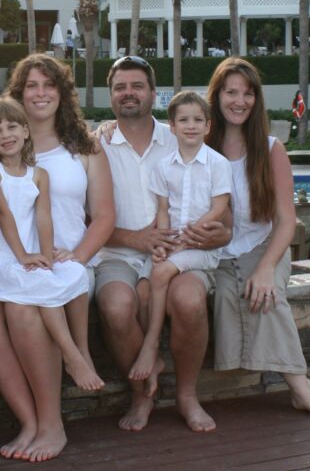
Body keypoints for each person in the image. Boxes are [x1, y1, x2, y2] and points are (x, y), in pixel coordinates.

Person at [0, 54, 114, 463]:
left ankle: (53, 424)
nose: (40, 93)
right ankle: (28, 421)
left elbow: (104, 217)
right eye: (31, 85)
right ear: (18, 93)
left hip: (67, 261)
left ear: (62, 92)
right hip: (15, 260)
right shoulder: (1, 142)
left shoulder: (84, 146)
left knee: (23, 311)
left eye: (49, 85)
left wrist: (77, 258)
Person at [95, 55, 231, 433]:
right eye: (120, 87)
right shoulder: (96, 144)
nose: (128, 93)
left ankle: (187, 397)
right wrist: (137, 238)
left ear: (154, 94)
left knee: (187, 300)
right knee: (116, 304)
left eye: (137, 86)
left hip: (181, 252)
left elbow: (226, 221)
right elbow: (86, 221)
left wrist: (217, 234)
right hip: (119, 253)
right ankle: (142, 396)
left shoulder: (183, 135)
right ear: (110, 95)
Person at [205, 57, 310, 422]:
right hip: (215, 254)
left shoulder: (270, 149)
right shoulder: (199, 147)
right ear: (216, 97)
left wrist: (266, 269)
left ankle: (298, 389)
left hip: (266, 245)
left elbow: (285, 220)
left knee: (266, 294)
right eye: (231, 92)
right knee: (232, 291)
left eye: (248, 94)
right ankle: (302, 386)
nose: (239, 101)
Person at [0, 96, 103, 391]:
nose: (6, 135)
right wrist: (24, 255)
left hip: (26, 257)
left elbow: (44, 218)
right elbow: (3, 212)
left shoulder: (39, 175)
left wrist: (45, 255)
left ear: (26, 131)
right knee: (42, 282)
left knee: (75, 272)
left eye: (12, 127)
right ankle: (71, 356)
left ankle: (81, 349)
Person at [128, 91, 231, 389]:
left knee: (159, 273)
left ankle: (150, 348)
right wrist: (161, 244)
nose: (191, 125)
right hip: (173, 246)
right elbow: (163, 210)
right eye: (183, 120)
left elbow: (219, 207)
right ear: (171, 126)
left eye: (198, 120)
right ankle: (152, 348)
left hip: (201, 248)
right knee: (144, 289)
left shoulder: (217, 163)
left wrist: (187, 238)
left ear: (208, 126)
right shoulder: (164, 167)